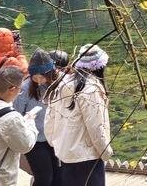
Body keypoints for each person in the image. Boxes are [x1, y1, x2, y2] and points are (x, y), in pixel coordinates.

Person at [45, 44, 111, 186]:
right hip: (87, 156)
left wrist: (57, 144)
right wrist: (106, 152)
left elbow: (50, 119)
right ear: (100, 67)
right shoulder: (91, 90)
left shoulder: (61, 84)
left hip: (66, 154)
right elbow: (96, 127)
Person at [14, 50, 62, 186]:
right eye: (36, 77)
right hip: (35, 140)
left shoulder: (58, 84)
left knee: (59, 178)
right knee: (44, 178)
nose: (39, 81)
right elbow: (16, 114)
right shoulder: (25, 88)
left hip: (54, 138)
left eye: (42, 77)